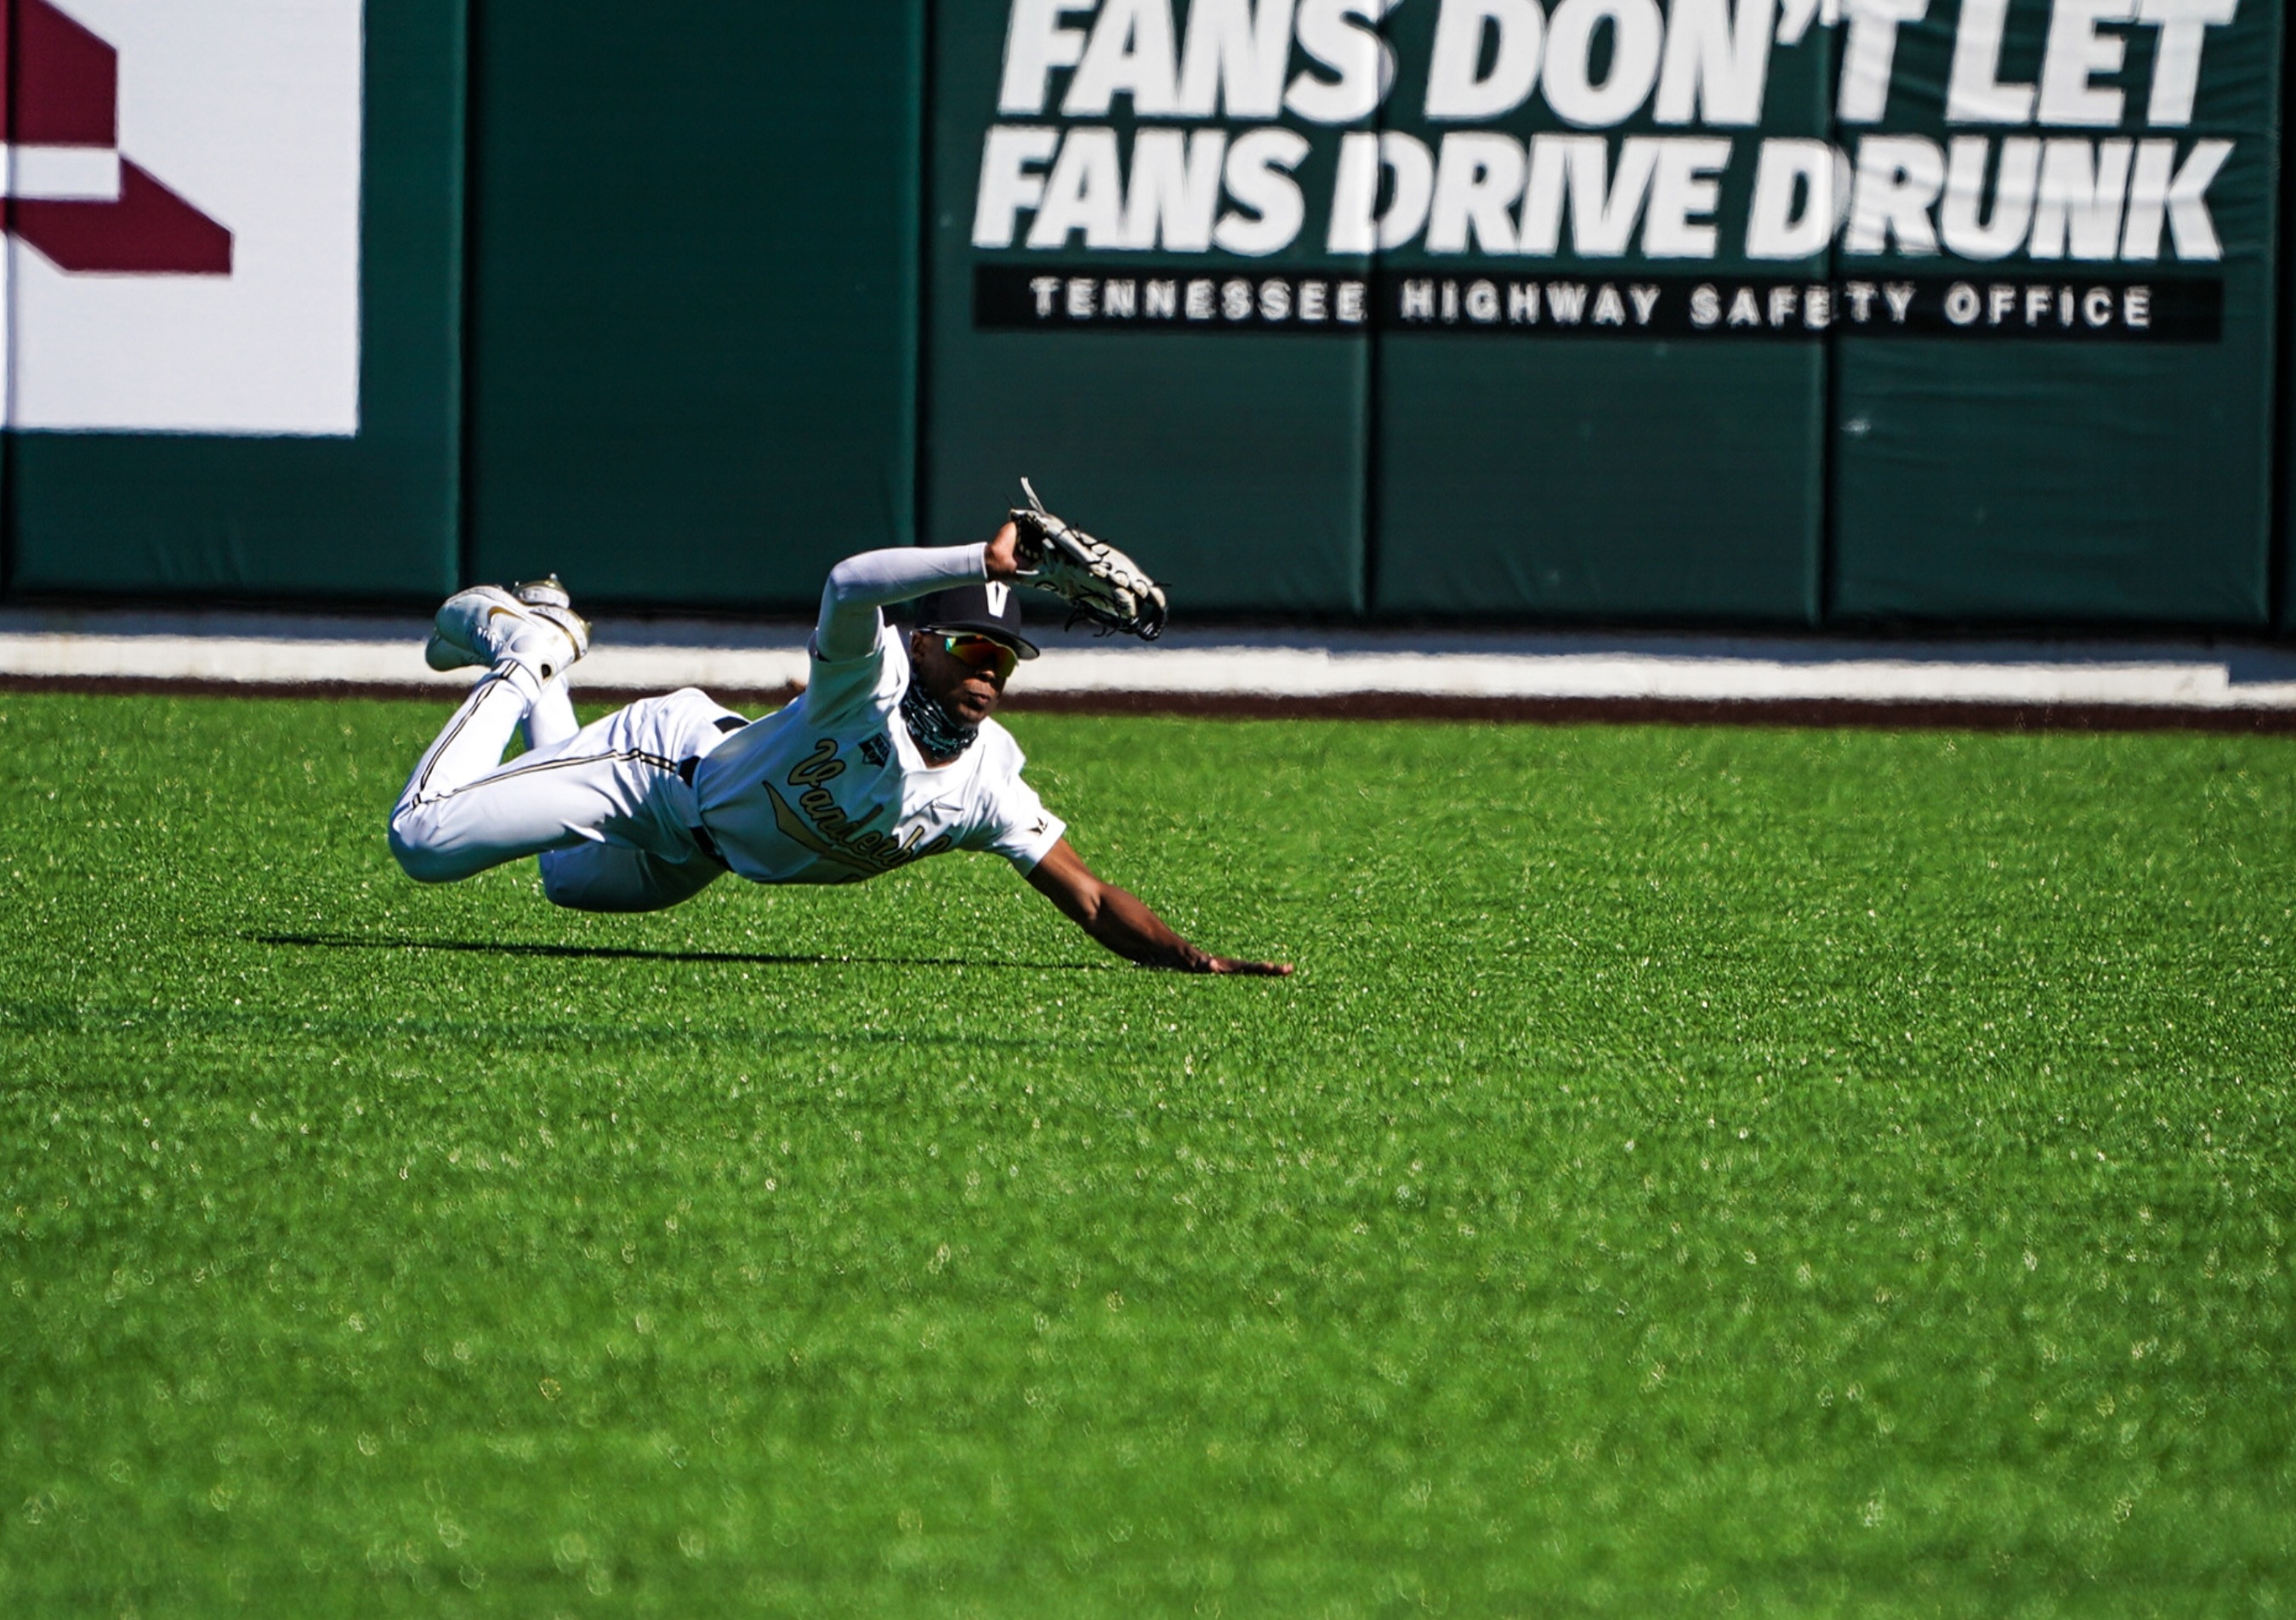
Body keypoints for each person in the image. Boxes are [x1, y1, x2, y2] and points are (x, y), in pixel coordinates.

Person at [386, 520, 1291, 975]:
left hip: (699, 858)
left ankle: (548, 652)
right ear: (925, 642)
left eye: (1006, 659)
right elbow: (849, 584)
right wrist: (981, 558)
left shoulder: (985, 783)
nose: (990, 673)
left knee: (560, 880)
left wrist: (1192, 959)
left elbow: (1091, 900)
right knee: (423, 843)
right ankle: (524, 652)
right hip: (658, 769)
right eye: (974, 646)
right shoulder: (871, 680)